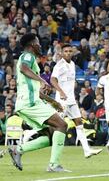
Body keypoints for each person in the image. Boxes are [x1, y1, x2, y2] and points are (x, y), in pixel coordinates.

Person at [8, 33, 68, 172]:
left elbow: (34, 90)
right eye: (38, 42)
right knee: (62, 125)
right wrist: (41, 80)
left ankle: (18, 150)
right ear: (32, 45)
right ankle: (54, 165)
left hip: (27, 102)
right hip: (30, 103)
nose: (40, 45)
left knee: (51, 134)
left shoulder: (31, 60)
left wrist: (51, 101)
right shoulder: (28, 56)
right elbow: (23, 68)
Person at [51, 43, 102, 158]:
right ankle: (47, 143)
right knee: (57, 125)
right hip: (62, 100)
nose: (68, 53)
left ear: (72, 52)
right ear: (61, 53)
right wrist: (61, 92)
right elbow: (53, 80)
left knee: (79, 123)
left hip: (71, 100)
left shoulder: (72, 64)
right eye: (66, 51)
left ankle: (87, 150)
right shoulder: (59, 65)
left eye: (70, 51)